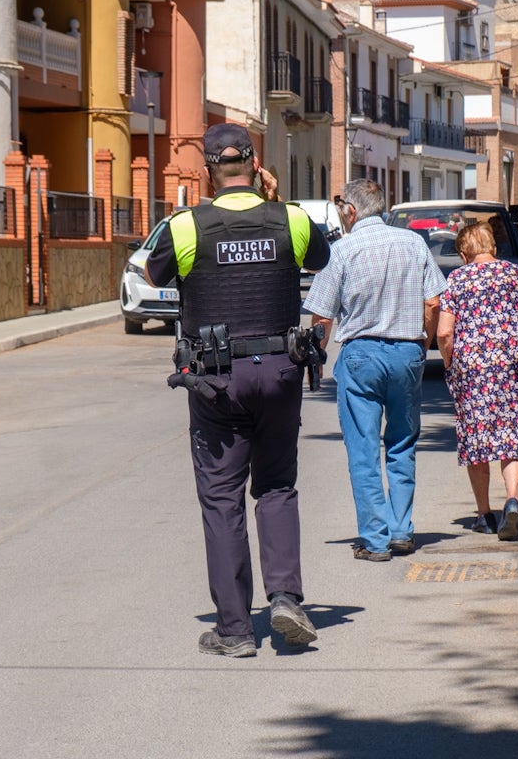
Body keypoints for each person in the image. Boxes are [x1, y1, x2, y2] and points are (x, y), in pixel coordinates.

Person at [145, 123, 332, 657]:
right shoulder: (290, 217)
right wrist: (276, 201)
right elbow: (319, 257)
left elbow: (154, 273)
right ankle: (285, 598)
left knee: (222, 498)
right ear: (256, 165)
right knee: (275, 487)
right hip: (280, 371)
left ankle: (234, 630)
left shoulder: (185, 225)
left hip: (216, 381)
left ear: (207, 171)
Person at [304, 179, 447, 562]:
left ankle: (375, 538)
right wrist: (422, 343)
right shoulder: (414, 244)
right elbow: (433, 301)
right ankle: (401, 530)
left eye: (339, 207)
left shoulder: (341, 251)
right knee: (402, 443)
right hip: (406, 352)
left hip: (361, 356)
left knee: (364, 450)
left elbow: (322, 315)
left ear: (351, 210)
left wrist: (316, 358)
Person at [437, 223, 518, 540]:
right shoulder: (516, 274)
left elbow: (445, 332)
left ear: (463, 254)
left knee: (478, 440)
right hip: (515, 366)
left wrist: (450, 364)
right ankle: (512, 500)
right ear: (495, 249)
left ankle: (485, 514)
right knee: (512, 436)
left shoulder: (457, 280)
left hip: (473, 372)